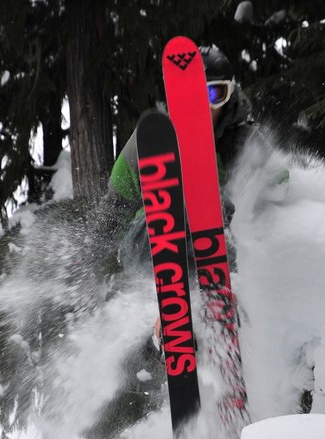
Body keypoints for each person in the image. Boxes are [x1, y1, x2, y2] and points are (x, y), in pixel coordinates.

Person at [105, 45, 255, 273]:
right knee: (183, 205)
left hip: (224, 246)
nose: (204, 105)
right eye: (193, 93)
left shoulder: (244, 142)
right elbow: (115, 211)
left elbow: (278, 189)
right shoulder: (149, 141)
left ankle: (221, 292)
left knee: (215, 207)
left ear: (229, 96)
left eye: (215, 94)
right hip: (148, 248)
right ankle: (157, 296)